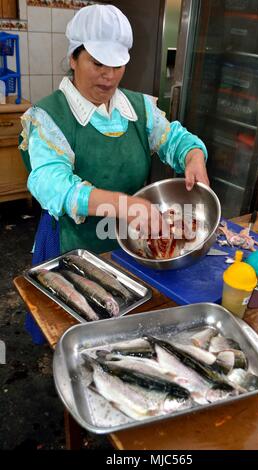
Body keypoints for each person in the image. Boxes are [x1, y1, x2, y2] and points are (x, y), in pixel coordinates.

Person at [19, 4, 209, 342]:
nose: (109, 75)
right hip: (76, 245)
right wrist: (124, 206)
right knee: (81, 334)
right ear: (73, 58)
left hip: (134, 245)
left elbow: (174, 139)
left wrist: (193, 155)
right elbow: (51, 184)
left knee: (130, 331)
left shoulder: (137, 109)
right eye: (97, 63)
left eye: (117, 64)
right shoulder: (50, 117)